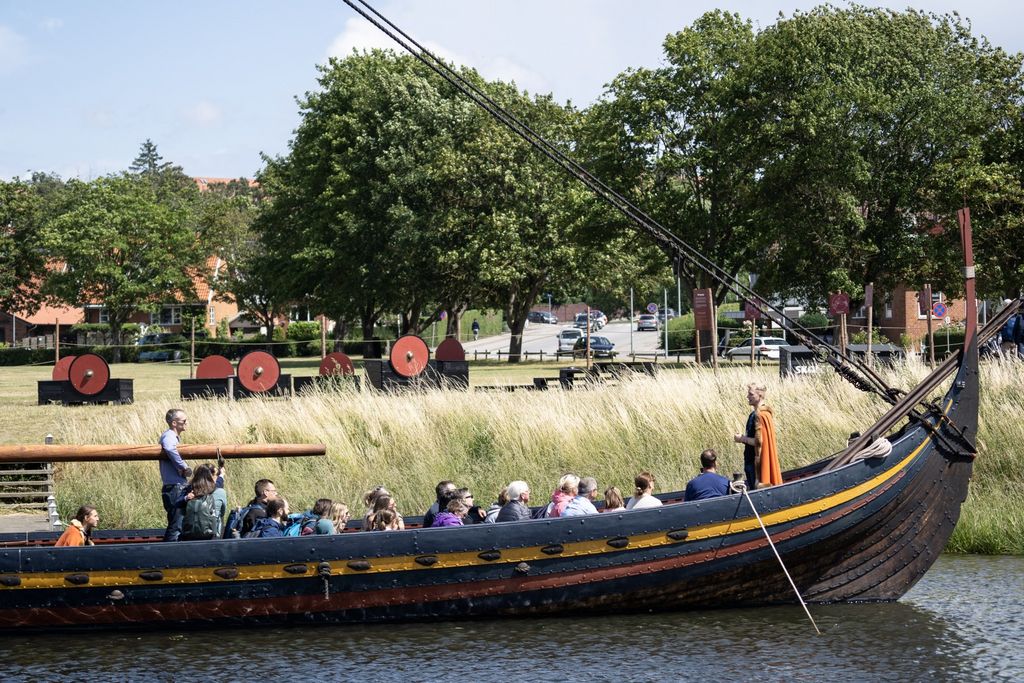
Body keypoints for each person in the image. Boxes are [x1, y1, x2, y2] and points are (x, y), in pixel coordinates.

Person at [733, 382, 782, 489]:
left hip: (756, 465)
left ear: (759, 395)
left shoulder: (761, 415)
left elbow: (759, 442)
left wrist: (741, 438)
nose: (747, 397)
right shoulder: (756, 414)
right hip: (751, 461)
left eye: (751, 394)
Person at [159, 408, 193, 542]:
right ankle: (168, 553)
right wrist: (183, 467)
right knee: (176, 525)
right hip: (175, 488)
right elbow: (168, 447)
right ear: (174, 423)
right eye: (184, 420)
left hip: (173, 487)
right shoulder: (169, 436)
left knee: (176, 522)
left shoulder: (172, 436)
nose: (186, 423)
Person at [176, 463, 228, 540]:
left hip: (189, 534)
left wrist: (186, 498)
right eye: (216, 474)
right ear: (211, 476)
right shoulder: (216, 489)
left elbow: (177, 503)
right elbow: (218, 484)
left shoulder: (190, 489)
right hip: (211, 535)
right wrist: (222, 475)